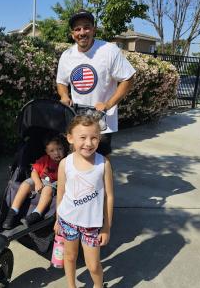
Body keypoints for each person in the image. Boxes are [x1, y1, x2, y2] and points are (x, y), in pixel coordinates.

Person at [56, 9, 136, 158]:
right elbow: (61, 82)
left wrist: (109, 104)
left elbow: (128, 78)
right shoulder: (67, 56)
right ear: (72, 33)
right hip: (76, 119)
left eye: (86, 27)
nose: (82, 32)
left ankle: (106, 182)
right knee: (76, 161)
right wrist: (64, 95)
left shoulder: (109, 50)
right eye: (77, 29)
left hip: (102, 121)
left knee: (101, 164)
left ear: (94, 29)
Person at [54, 115, 114, 288]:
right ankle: (71, 286)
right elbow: (61, 193)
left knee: (93, 265)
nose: (88, 143)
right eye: (83, 137)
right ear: (70, 138)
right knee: (70, 257)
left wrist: (106, 226)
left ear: (99, 138)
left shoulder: (104, 164)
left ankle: (98, 285)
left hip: (91, 225)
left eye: (94, 137)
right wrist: (58, 218)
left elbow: (109, 196)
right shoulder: (65, 163)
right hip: (68, 221)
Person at [2, 134, 65, 229]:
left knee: (47, 189)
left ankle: (36, 214)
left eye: (59, 149)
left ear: (64, 149)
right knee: (25, 184)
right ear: (47, 152)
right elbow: (34, 171)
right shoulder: (44, 160)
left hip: (54, 184)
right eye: (52, 151)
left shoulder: (65, 162)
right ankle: (13, 211)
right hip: (40, 180)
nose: (56, 153)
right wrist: (37, 182)